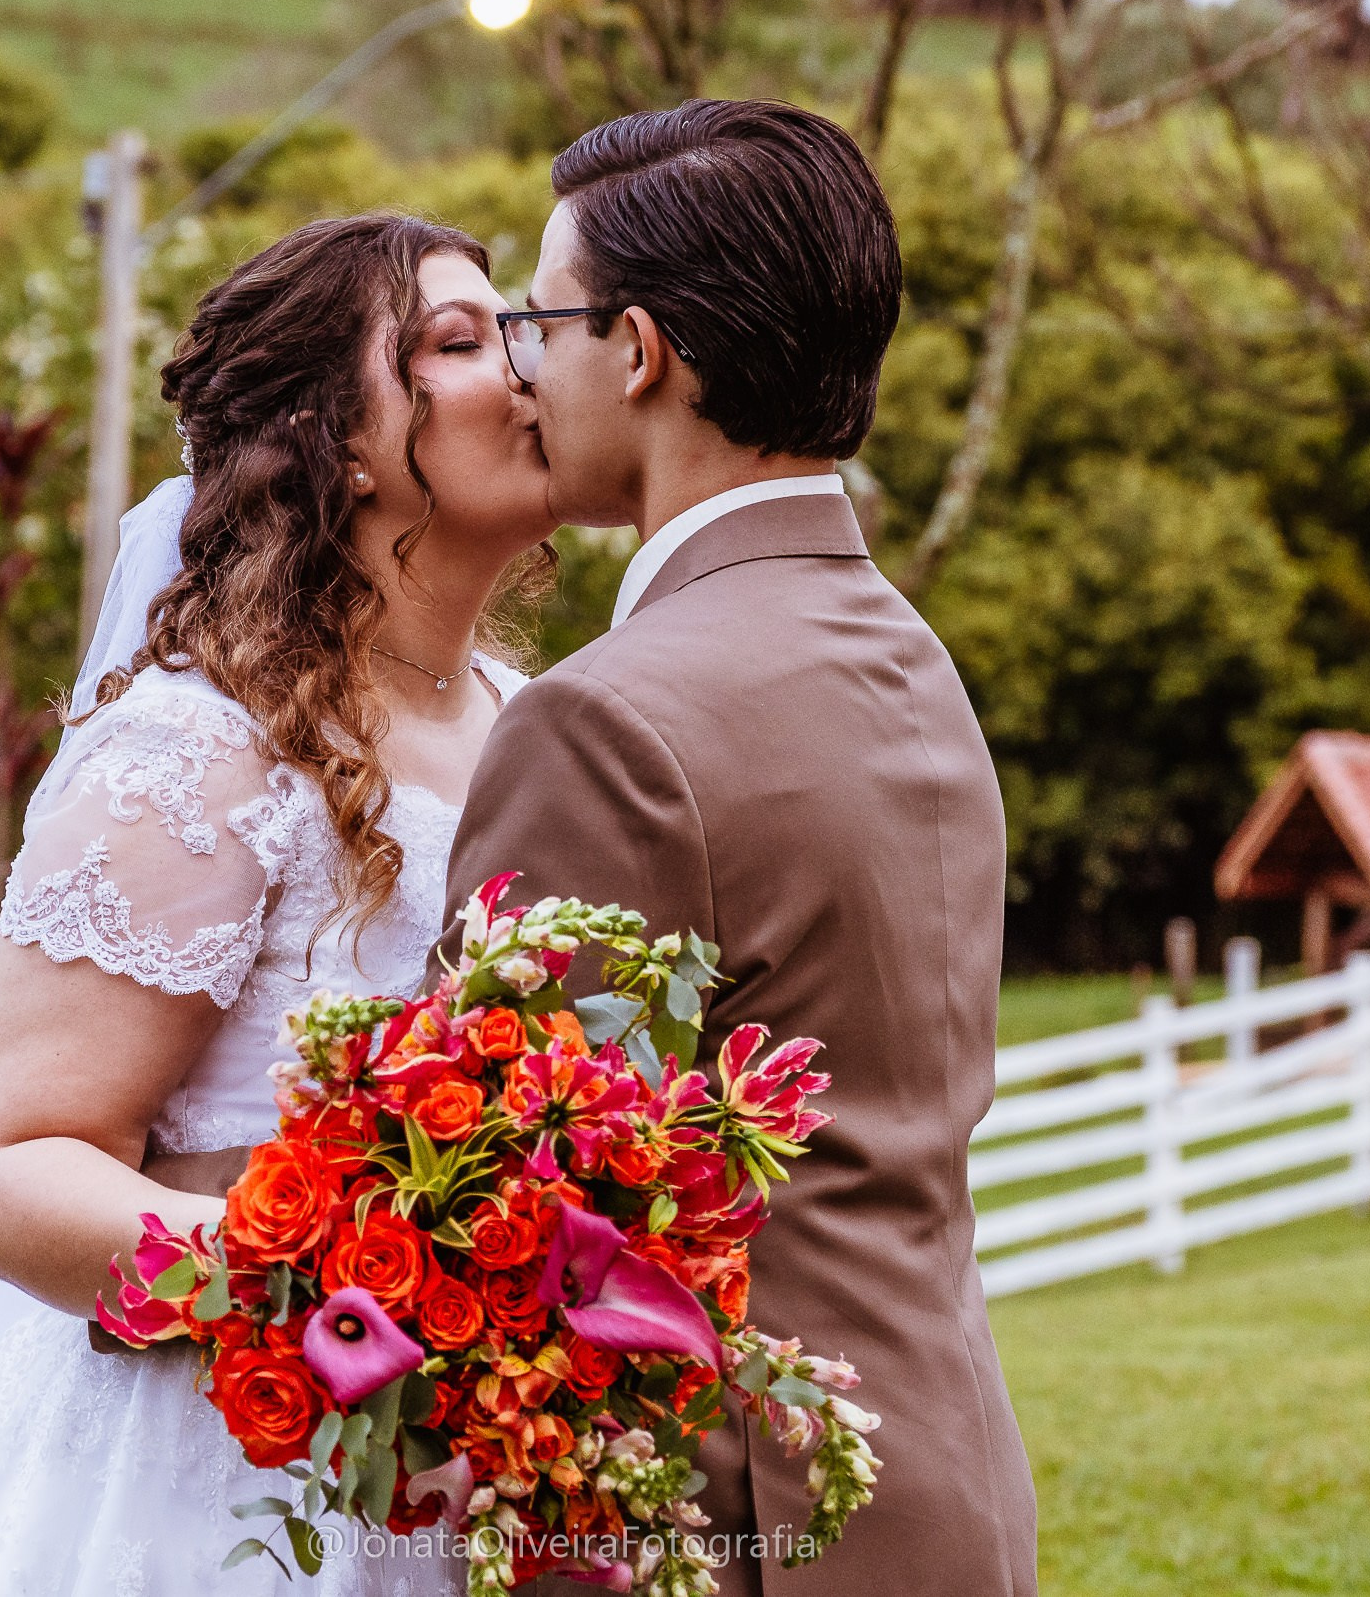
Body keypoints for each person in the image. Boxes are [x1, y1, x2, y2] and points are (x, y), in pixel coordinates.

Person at [0, 213, 556, 1597]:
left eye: (516, 331)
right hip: (218, 1487)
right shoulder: (204, 748)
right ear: (338, 443)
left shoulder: (537, 722)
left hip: (476, 1472)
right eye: (458, 342)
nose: (524, 368)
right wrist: (351, 1281)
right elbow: (11, 1177)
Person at [441, 99, 1039, 1596]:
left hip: (729, 1520)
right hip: (942, 1479)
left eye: (540, 323)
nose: (522, 370)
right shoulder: (911, 659)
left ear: (640, 353)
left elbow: (513, 1212)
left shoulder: (606, 723)